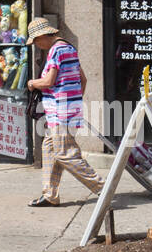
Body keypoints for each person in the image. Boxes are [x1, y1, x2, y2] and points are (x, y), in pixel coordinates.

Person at [25, 18, 104, 207]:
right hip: (65, 110)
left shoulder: (55, 51)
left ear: (43, 36)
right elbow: (83, 80)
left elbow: (48, 82)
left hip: (61, 113)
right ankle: (50, 195)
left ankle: (103, 187)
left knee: (65, 154)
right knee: (49, 148)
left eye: (36, 40)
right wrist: (73, 101)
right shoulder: (69, 48)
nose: (37, 45)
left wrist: (32, 83)